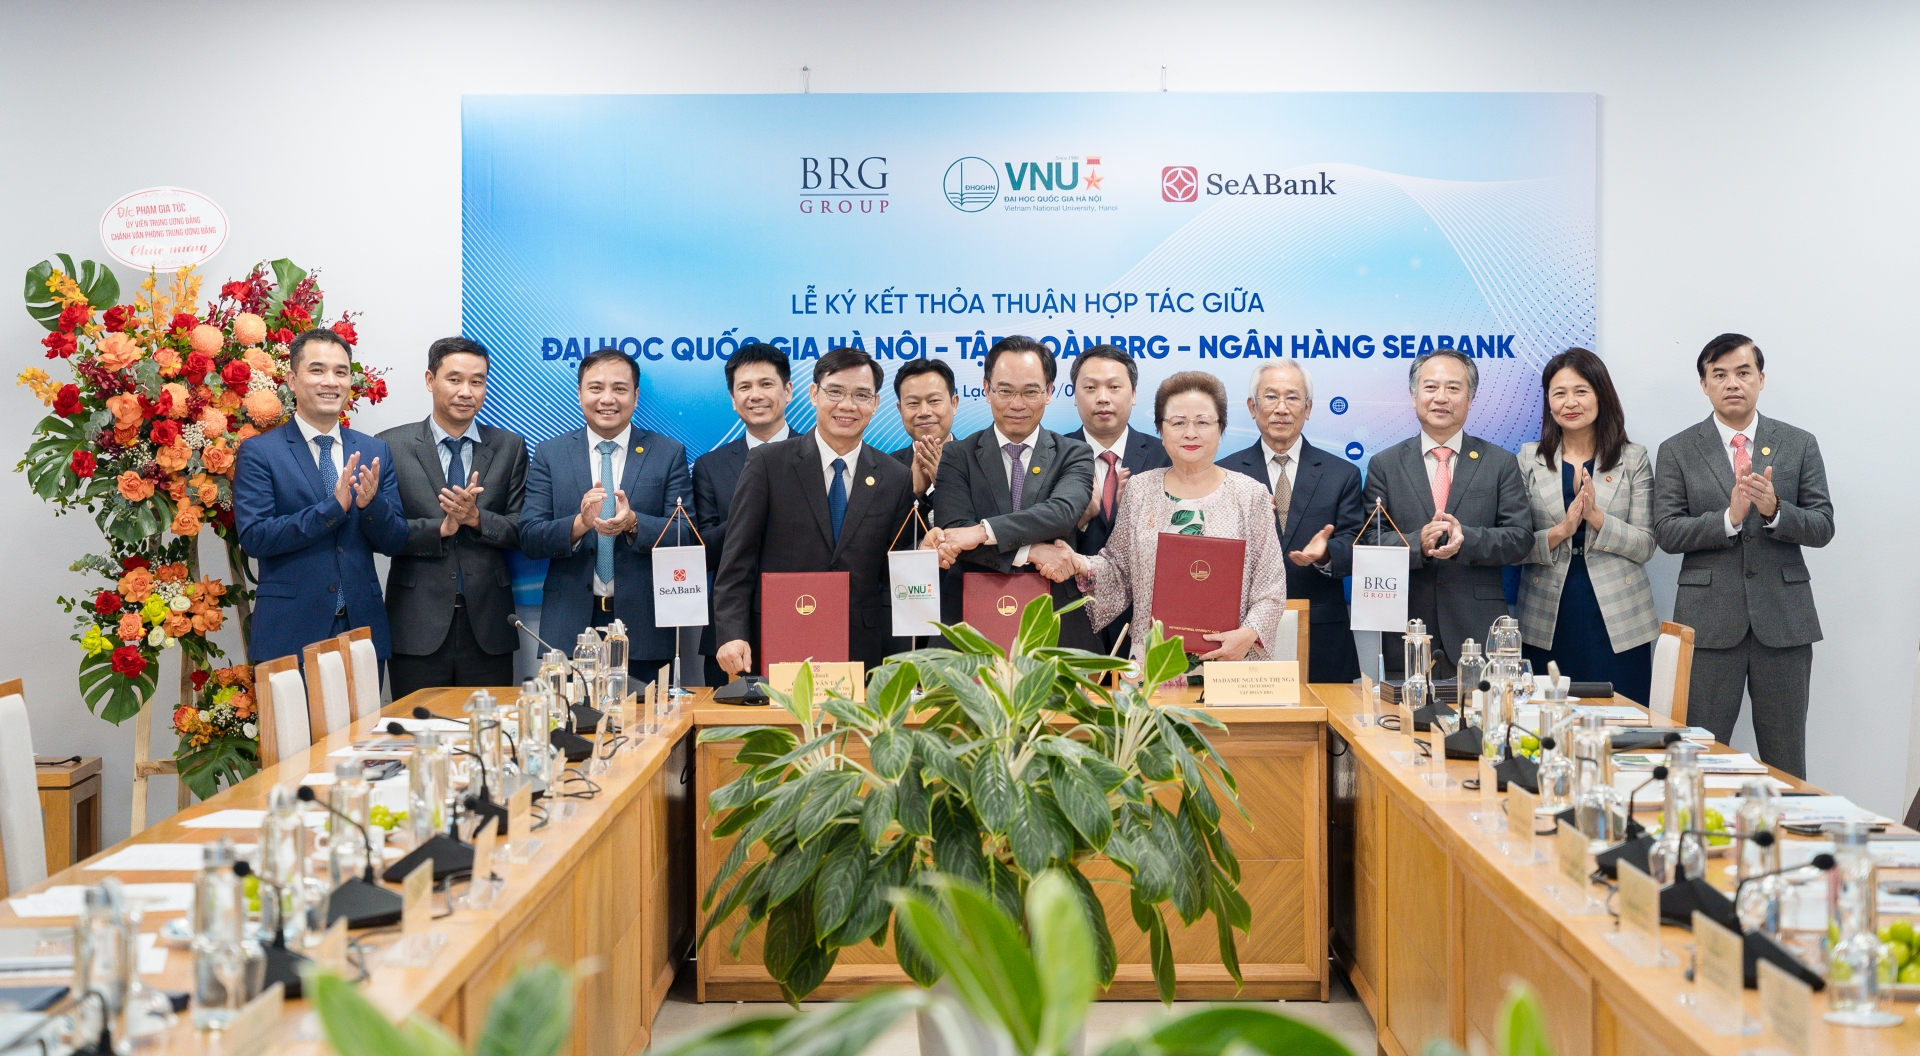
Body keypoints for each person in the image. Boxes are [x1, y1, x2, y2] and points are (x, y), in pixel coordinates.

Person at [1653, 334, 1832, 777]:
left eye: (1743, 372)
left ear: (1761, 379)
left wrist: (1775, 512)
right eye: (1720, 374)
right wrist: (1728, 520)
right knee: (1698, 758)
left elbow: (1824, 524)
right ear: (1704, 384)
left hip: (1785, 623)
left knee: (1785, 760)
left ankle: (1786, 840)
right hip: (1709, 625)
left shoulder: (1798, 443)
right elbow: (1667, 532)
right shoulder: (1677, 449)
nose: (1732, 383)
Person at [1036, 372, 1288, 675]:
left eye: (1203, 422)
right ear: (1161, 429)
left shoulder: (1251, 495)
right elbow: (1118, 571)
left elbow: (1271, 586)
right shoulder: (1140, 491)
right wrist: (1080, 564)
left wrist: (1247, 636)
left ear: (1221, 428)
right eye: (1178, 422)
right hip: (1153, 665)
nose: (1190, 433)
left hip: (1232, 662)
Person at [713, 348, 916, 674]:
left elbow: (894, 575)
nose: (847, 405)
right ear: (813, 394)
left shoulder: (895, 477)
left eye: (861, 395)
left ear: (875, 404)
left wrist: (923, 554)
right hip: (778, 639)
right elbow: (736, 562)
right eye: (835, 391)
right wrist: (732, 634)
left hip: (860, 650)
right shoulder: (768, 463)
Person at [233, 328, 407, 669]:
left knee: (364, 725)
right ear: (293, 380)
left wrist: (371, 506)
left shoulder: (374, 450)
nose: (331, 381)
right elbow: (255, 538)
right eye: (317, 370)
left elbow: (396, 540)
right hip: (289, 634)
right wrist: (333, 508)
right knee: (293, 726)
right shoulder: (260, 452)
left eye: (341, 372)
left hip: (362, 633)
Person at [520, 348, 692, 678]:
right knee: (568, 726)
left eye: (620, 389)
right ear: (580, 393)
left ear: (636, 395)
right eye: (596, 388)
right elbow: (529, 536)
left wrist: (634, 523)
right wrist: (580, 523)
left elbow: (685, 534)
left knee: (647, 726)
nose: (607, 399)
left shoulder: (667, 453)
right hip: (566, 628)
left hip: (644, 626)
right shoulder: (550, 454)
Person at [1361, 351, 1531, 678]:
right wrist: (1416, 544)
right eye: (1430, 387)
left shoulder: (1499, 463)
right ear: (1413, 396)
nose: (1441, 397)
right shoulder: (1385, 464)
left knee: (1479, 725)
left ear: (1470, 399)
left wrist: (1466, 539)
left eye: (1453, 388)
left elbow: (1519, 538)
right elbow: (1369, 539)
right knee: (1405, 725)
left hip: (1478, 632)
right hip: (1407, 631)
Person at [921, 336, 1098, 649]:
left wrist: (982, 531)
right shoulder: (957, 455)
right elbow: (954, 535)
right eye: (1005, 391)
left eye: (1030, 391)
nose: (1018, 404)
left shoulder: (1074, 454)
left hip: (1055, 618)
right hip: (969, 615)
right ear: (987, 390)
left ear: (1049, 392)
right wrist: (1030, 551)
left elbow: (1060, 514)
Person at [379, 337, 529, 700]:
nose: (466, 391)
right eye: (455, 379)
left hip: (489, 625)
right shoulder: (390, 445)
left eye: (477, 381)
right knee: (417, 736)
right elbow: (383, 534)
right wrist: (439, 529)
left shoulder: (510, 446)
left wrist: (477, 519)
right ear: (430, 380)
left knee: (488, 738)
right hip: (415, 624)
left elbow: (523, 529)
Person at [1515, 349, 1657, 704]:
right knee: (1547, 725)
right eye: (1559, 393)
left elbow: (1646, 544)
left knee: (1623, 724)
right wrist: (1562, 529)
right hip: (1548, 611)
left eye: (1581, 391)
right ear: (1548, 402)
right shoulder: (1528, 458)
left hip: (1618, 615)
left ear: (1601, 396)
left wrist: (1595, 518)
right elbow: (1514, 544)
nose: (1570, 402)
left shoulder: (1633, 458)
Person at [1217, 361, 1366, 682]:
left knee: (1323, 732)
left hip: (1321, 635)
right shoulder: (1225, 475)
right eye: (1270, 397)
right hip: (1242, 633)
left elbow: (1358, 544)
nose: (1281, 408)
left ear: (1308, 408)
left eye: (1293, 398)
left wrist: (1325, 553)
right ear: (1252, 407)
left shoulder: (1342, 474)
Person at [692, 343, 792, 685]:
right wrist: (750, 513)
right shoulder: (710, 466)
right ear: (733, 400)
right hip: (732, 630)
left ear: (788, 390)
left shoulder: (819, 457)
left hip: (803, 615)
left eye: (766, 384)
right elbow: (703, 550)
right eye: (744, 387)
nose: (756, 395)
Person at [1064, 344, 1170, 657]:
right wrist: (1081, 519)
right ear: (1074, 395)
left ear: (1134, 394)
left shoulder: (1165, 455)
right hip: (1073, 618)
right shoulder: (1054, 455)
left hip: (1147, 620)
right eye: (1090, 387)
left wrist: (1134, 518)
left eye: (1114, 386)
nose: (1102, 397)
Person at [889, 357, 958, 503]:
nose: (924, 412)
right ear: (900, 409)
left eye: (934, 401)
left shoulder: (978, 463)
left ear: (954, 404)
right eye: (913, 403)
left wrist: (946, 485)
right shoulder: (887, 468)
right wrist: (914, 492)